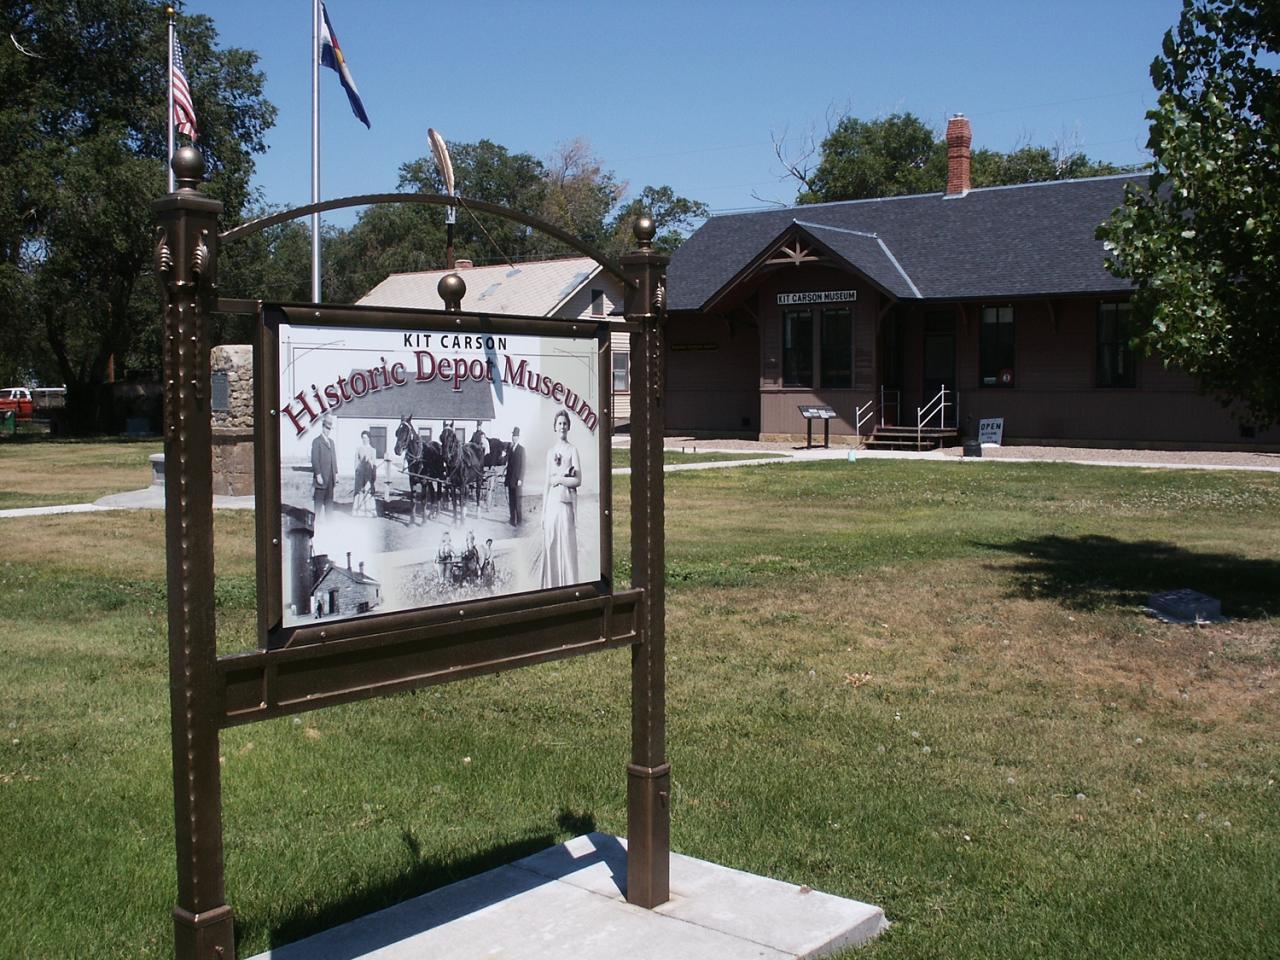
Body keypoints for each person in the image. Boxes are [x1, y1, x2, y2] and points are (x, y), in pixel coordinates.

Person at [541, 409, 581, 588]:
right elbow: (546, 484)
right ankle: (553, 586)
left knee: (566, 545)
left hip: (565, 505)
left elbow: (578, 480)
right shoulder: (550, 452)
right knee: (551, 544)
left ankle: (570, 587)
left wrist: (560, 479)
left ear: (568, 427)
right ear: (555, 427)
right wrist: (542, 513)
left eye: (565, 423)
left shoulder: (573, 450)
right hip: (551, 506)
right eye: (559, 423)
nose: (562, 426)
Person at [311, 415, 338, 518]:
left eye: (329, 429)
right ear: (322, 427)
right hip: (321, 478)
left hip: (331, 479)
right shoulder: (317, 441)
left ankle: (329, 525)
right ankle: (316, 524)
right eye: (326, 428)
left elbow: (334, 459)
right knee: (318, 503)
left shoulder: (331, 442)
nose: (328, 431)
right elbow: (315, 460)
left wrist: (336, 473)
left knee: (329, 503)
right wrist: (318, 474)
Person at [505, 426, 525, 526]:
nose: (514, 438)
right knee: (511, 501)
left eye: (516, 436)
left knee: (517, 502)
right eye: (513, 436)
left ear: (518, 437)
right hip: (510, 480)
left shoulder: (521, 449)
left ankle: (519, 521)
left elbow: (523, 466)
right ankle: (512, 520)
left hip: (517, 480)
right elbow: (508, 465)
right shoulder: (510, 449)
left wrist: (520, 479)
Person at [354, 430, 377, 516]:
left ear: (369, 439)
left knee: (368, 491)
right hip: (360, 474)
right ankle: (359, 511)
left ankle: (369, 512)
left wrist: (369, 461)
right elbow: (356, 462)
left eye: (366, 438)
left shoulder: (373, 450)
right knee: (360, 491)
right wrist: (357, 470)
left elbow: (374, 464)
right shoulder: (358, 449)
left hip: (369, 474)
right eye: (363, 438)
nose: (364, 440)